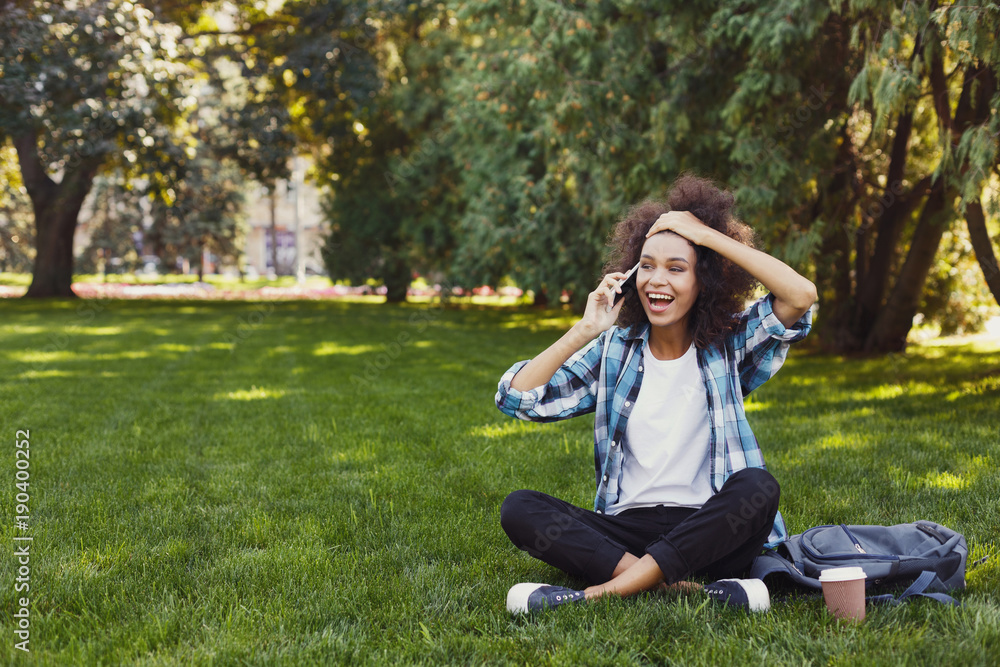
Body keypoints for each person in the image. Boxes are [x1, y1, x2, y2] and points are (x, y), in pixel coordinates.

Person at [495, 175, 817, 614]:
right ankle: (672, 585)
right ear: (630, 274)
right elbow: (517, 399)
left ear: (705, 280)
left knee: (757, 488)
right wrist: (585, 329)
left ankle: (601, 593)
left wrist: (706, 236)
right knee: (520, 508)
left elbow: (801, 295)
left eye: (676, 268)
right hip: (626, 529)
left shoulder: (730, 343)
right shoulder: (614, 349)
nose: (656, 280)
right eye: (646, 265)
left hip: (709, 530)